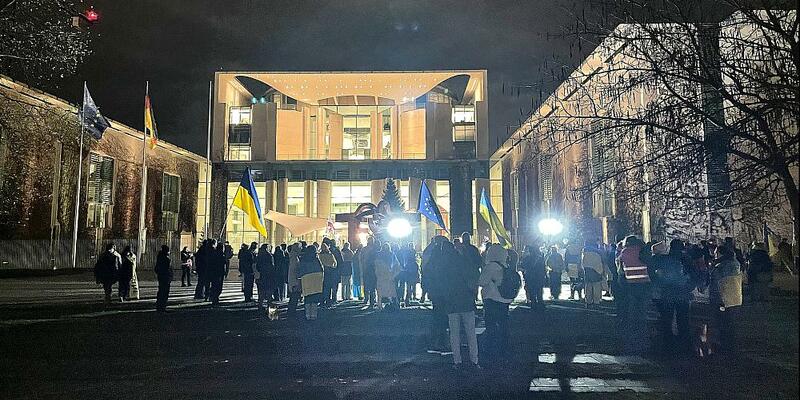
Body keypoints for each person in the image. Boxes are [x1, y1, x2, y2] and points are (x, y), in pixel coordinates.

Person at [438, 240, 479, 368]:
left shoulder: (446, 266)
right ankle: (474, 360)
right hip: (466, 301)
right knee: (471, 332)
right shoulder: (466, 263)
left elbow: (443, 284)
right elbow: (474, 277)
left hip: (452, 303)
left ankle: (457, 360)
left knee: (454, 333)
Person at [649, 239, 691, 353]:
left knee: (667, 320)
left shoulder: (663, 259)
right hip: (682, 293)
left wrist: (659, 282)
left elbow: (651, 270)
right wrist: (688, 287)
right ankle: (685, 345)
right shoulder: (686, 259)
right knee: (683, 320)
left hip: (668, 292)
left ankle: (668, 345)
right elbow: (693, 274)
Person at [616, 235, 651, 354]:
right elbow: (650, 265)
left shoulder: (623, 253)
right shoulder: (642, 251)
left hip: (630, 285)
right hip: (644, 283)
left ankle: (633, 331)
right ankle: (642, 330)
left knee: (633, 308)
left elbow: (620, 272)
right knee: (642, 309)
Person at [480, 244, 514, 365]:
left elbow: (481, 281)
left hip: (492, 300)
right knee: (503, 326)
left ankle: (492, 349)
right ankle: (504, 349)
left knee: (491, 326)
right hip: (505, 300)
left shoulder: (491, 266)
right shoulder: (505, 265)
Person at [711, 244, 742, 352]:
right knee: (731, 324)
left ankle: (724, 347)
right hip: (736, 298)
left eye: (716, 253)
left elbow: (716, 285)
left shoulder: (720, 267)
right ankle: (731, 346)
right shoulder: (736, 264)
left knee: (722, 324)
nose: (714, 255)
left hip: (723, 300)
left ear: (720, 253)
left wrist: (715, 300)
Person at [422, 236, 450, 353]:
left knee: (437, 317)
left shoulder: (431, 255)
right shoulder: (446, 257)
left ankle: (436, 341)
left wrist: (427, 289)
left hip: (436, 292)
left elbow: (426, 272)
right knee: (443, 317)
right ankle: (442, 341)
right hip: (443, 292)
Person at [298, 245, 324, 320]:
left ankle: (307, 314)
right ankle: (313, 315)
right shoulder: (316, 259)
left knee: (307, 297)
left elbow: (301, 269)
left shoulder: (303, 258)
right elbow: (321, 268)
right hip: (316, 280)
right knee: (314, 298)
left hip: (306, 279)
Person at [520, 241, 546, 309]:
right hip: (539, 277)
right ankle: (540, 304)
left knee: (532, 292)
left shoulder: (527, 258)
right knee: (539, 291)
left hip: (530, 277)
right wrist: (544, 275)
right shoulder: (540, 257)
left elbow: (523, 266)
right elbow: (543, 267)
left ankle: (533, 304)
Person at [375, 242, 400, 310]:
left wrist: (377, 274)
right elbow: (397, 266)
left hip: (381, 277)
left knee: (381, 292)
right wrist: (394, 275)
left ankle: (380, 305)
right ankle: (394, 303)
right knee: (391, 291)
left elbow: (376, 266)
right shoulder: (391, 254)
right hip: (389, 276)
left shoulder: (378, 255)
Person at [581, 240, 605, 308]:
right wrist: (602, 271)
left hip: (587, 270)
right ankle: (596, 302)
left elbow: (582, 262)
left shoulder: (584, 251)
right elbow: (601, 261)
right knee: (596, 286)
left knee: (588, 286)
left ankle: (588, 301)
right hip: (596, 270)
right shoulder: (598, 252)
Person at [256, 243, 276, 311]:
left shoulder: (259, 255)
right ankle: (269, 304)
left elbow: (257, 266)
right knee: (269, 290)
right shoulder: (269, 255)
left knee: (261, 291)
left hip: (262, 275)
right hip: (269, 276)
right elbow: (272, 266)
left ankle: (260, 305)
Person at [361, 237, 379, 307]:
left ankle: (368, 299)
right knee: (371, 286)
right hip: (371, 270)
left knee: (368, 285)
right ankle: (371, 300)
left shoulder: (366, 249)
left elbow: (362, 259)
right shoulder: (374, 249)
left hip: (368, 270)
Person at [154, 245, 173, 312]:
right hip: (165, 277)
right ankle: (162, 306)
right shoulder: (165, 259)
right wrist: (169, 276)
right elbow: (168, 269)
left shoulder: (160, 257)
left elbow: (156, 268)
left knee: (161, 291)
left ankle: (160, 306)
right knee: (164, 292)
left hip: (162, 276)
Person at [286, 243, 302, 317]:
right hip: (294, 280)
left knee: (293, 297)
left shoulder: (293, 256)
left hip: (292, 280)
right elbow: (295, 270)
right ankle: (291, 313)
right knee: (294, 298)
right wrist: (297, 280)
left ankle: (291, 312)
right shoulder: (294, 258)